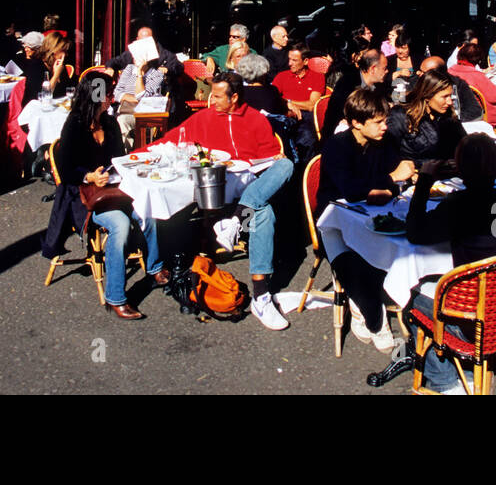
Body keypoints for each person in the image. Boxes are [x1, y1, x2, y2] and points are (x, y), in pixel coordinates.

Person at [146, 72, 295, 330]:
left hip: (248, 185)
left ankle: (236, 225)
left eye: (216, 96)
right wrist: (136, 156)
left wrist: (274, 158)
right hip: (217, 188)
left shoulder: (256, 120)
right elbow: (171, 139)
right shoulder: (203, 118)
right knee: (264, 211)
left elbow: (269, 156)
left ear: (234, 97)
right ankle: (260, 291)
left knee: (286, 167)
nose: (210, 100)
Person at [405, 134, 496, 393]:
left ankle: (445, 381)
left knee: (411, 297)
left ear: (459, 168)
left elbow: (415, 232)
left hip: (472, 321)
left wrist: (425, 180)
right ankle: (470, 370)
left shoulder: (457, 204)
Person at [58, 72, 167, 319]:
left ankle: (155, 267)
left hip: (113, 188)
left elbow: (117, 158)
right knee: (120, 225)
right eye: (108, 93)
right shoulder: (74, 124)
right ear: (95, 95)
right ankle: (116, 297)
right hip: (85, 194)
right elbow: (65, 169)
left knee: (148, 210)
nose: (112, 97)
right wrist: (89, 176)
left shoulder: (109, 122)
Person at [318, 89, 415, 352]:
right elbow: (351, 189)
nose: (385, 127)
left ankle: (370, 305)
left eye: (385, 121)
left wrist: (391, 184)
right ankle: (373, 315)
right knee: (357, 266)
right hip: (334, 221)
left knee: (407, 243)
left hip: (373, 216)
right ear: (357, 123)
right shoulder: (337, 146)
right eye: (378, 122)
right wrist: (391, 181)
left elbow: (401, 174)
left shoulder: (383, 142)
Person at [386, 68, 467, 168]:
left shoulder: (447, 115)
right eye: (444, 97)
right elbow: (388, 152)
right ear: (427, 96)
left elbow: (463, 145)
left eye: (450, 96)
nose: (450, 102)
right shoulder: (401, 116)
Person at [271, 42, 325, 161]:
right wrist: (287, 105)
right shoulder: (282, 76)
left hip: (305, 118)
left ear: (305, 61)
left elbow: (312, 105)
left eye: (294, 60)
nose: (290, 63)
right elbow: (271, 98)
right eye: (289, 59)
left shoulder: (317, 77)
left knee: (307, 138)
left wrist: (288, 101)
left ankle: (305, 172)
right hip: (284, 114)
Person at [322, 44, 387, 137]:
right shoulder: (347, 84)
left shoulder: (379, 86)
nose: (387, 71)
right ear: (373, 69)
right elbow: (340, 116)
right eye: (384, 68)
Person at [103, 25, 181, 83]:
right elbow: (114, 61)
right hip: (135, 91)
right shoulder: (130, 54)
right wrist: (110, 68)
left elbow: (179, 67)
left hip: (160, 91)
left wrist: (167, 69)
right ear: (137, 40)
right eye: (142, 41)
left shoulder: (165, 55)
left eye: (148, 40)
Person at [420, 55, 484, 122]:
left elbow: (474, 110)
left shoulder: (458, 84)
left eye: (423, 73)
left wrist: (454, 122)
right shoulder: (418, 84)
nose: (418, 74)